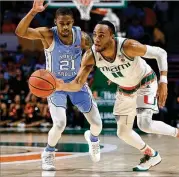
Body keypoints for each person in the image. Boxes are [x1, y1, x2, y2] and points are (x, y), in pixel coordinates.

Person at [56, 20, 179, 171]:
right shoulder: (90, 56)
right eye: (95, 35)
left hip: (145, 83)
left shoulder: (128, 47)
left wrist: (164, 82)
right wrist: (60, 86)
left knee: (144, 124)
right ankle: (151, 155)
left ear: (112, 37)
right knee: (123, 132)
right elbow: (78, 83)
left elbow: (160, 53)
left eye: (102, 35)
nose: (97, 39)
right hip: (125, 89)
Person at [15, 0, 102, 171]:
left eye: (68, 23)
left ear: (73, 22)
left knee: (97, 124)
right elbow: (20, 32)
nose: (65, 27)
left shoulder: (82, 37)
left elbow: (96, 54)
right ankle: (48, 153)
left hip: (77, 84)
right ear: (56, 22)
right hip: (55, 86)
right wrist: (33, 12)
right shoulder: (48, 34)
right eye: (61, 23)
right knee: (60, 123)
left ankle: (93, 139)